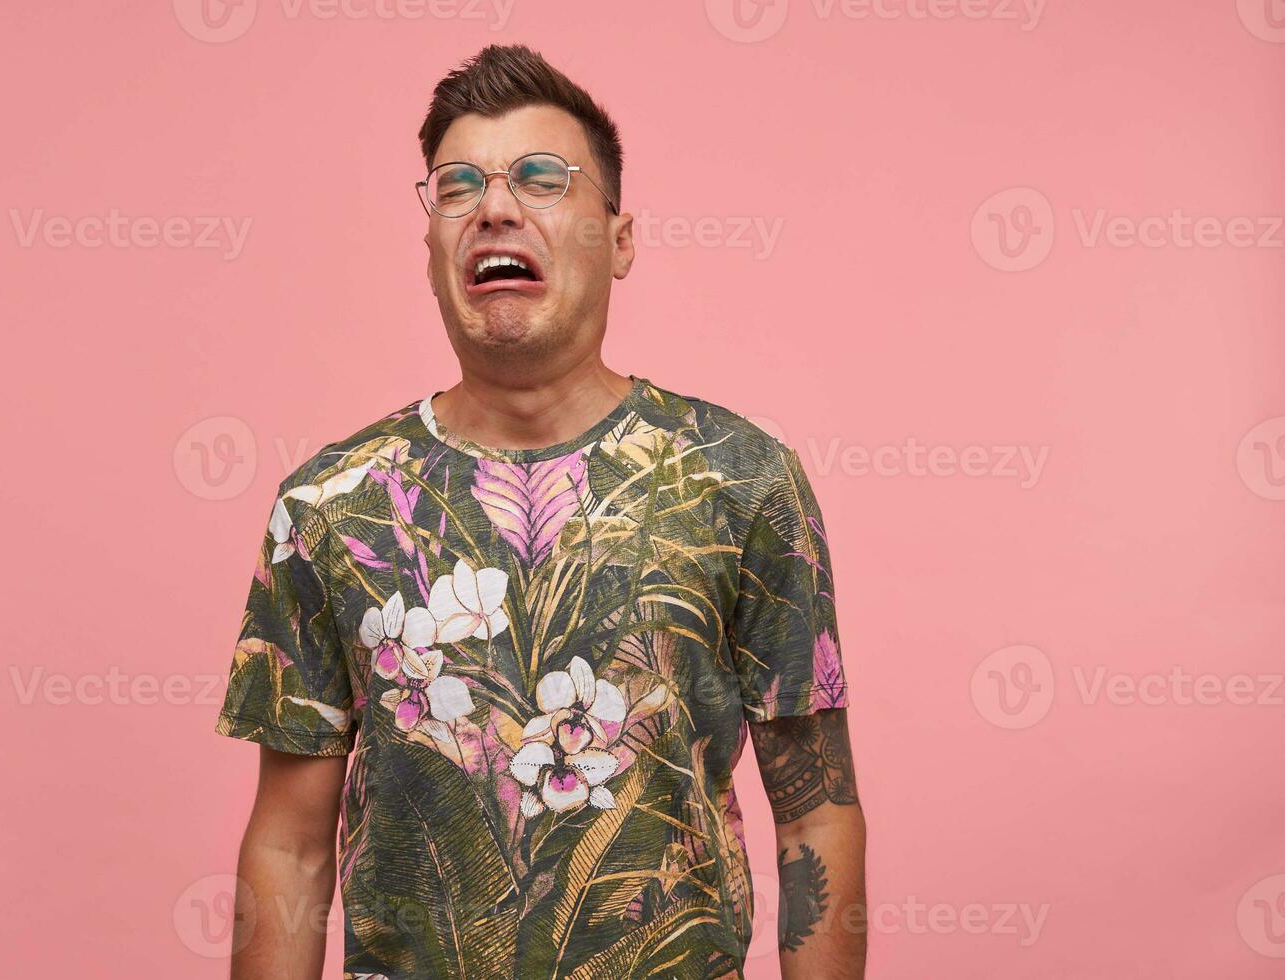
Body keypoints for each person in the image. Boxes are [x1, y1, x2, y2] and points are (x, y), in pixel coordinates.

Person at [216, 43, 866, 980]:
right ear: (433, 248)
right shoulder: (332, 504)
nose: (494, 208)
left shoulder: (739, 479)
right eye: (457, 186)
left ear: (621, 238)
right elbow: (289, 847)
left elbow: (815, 813)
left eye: (541, 177)